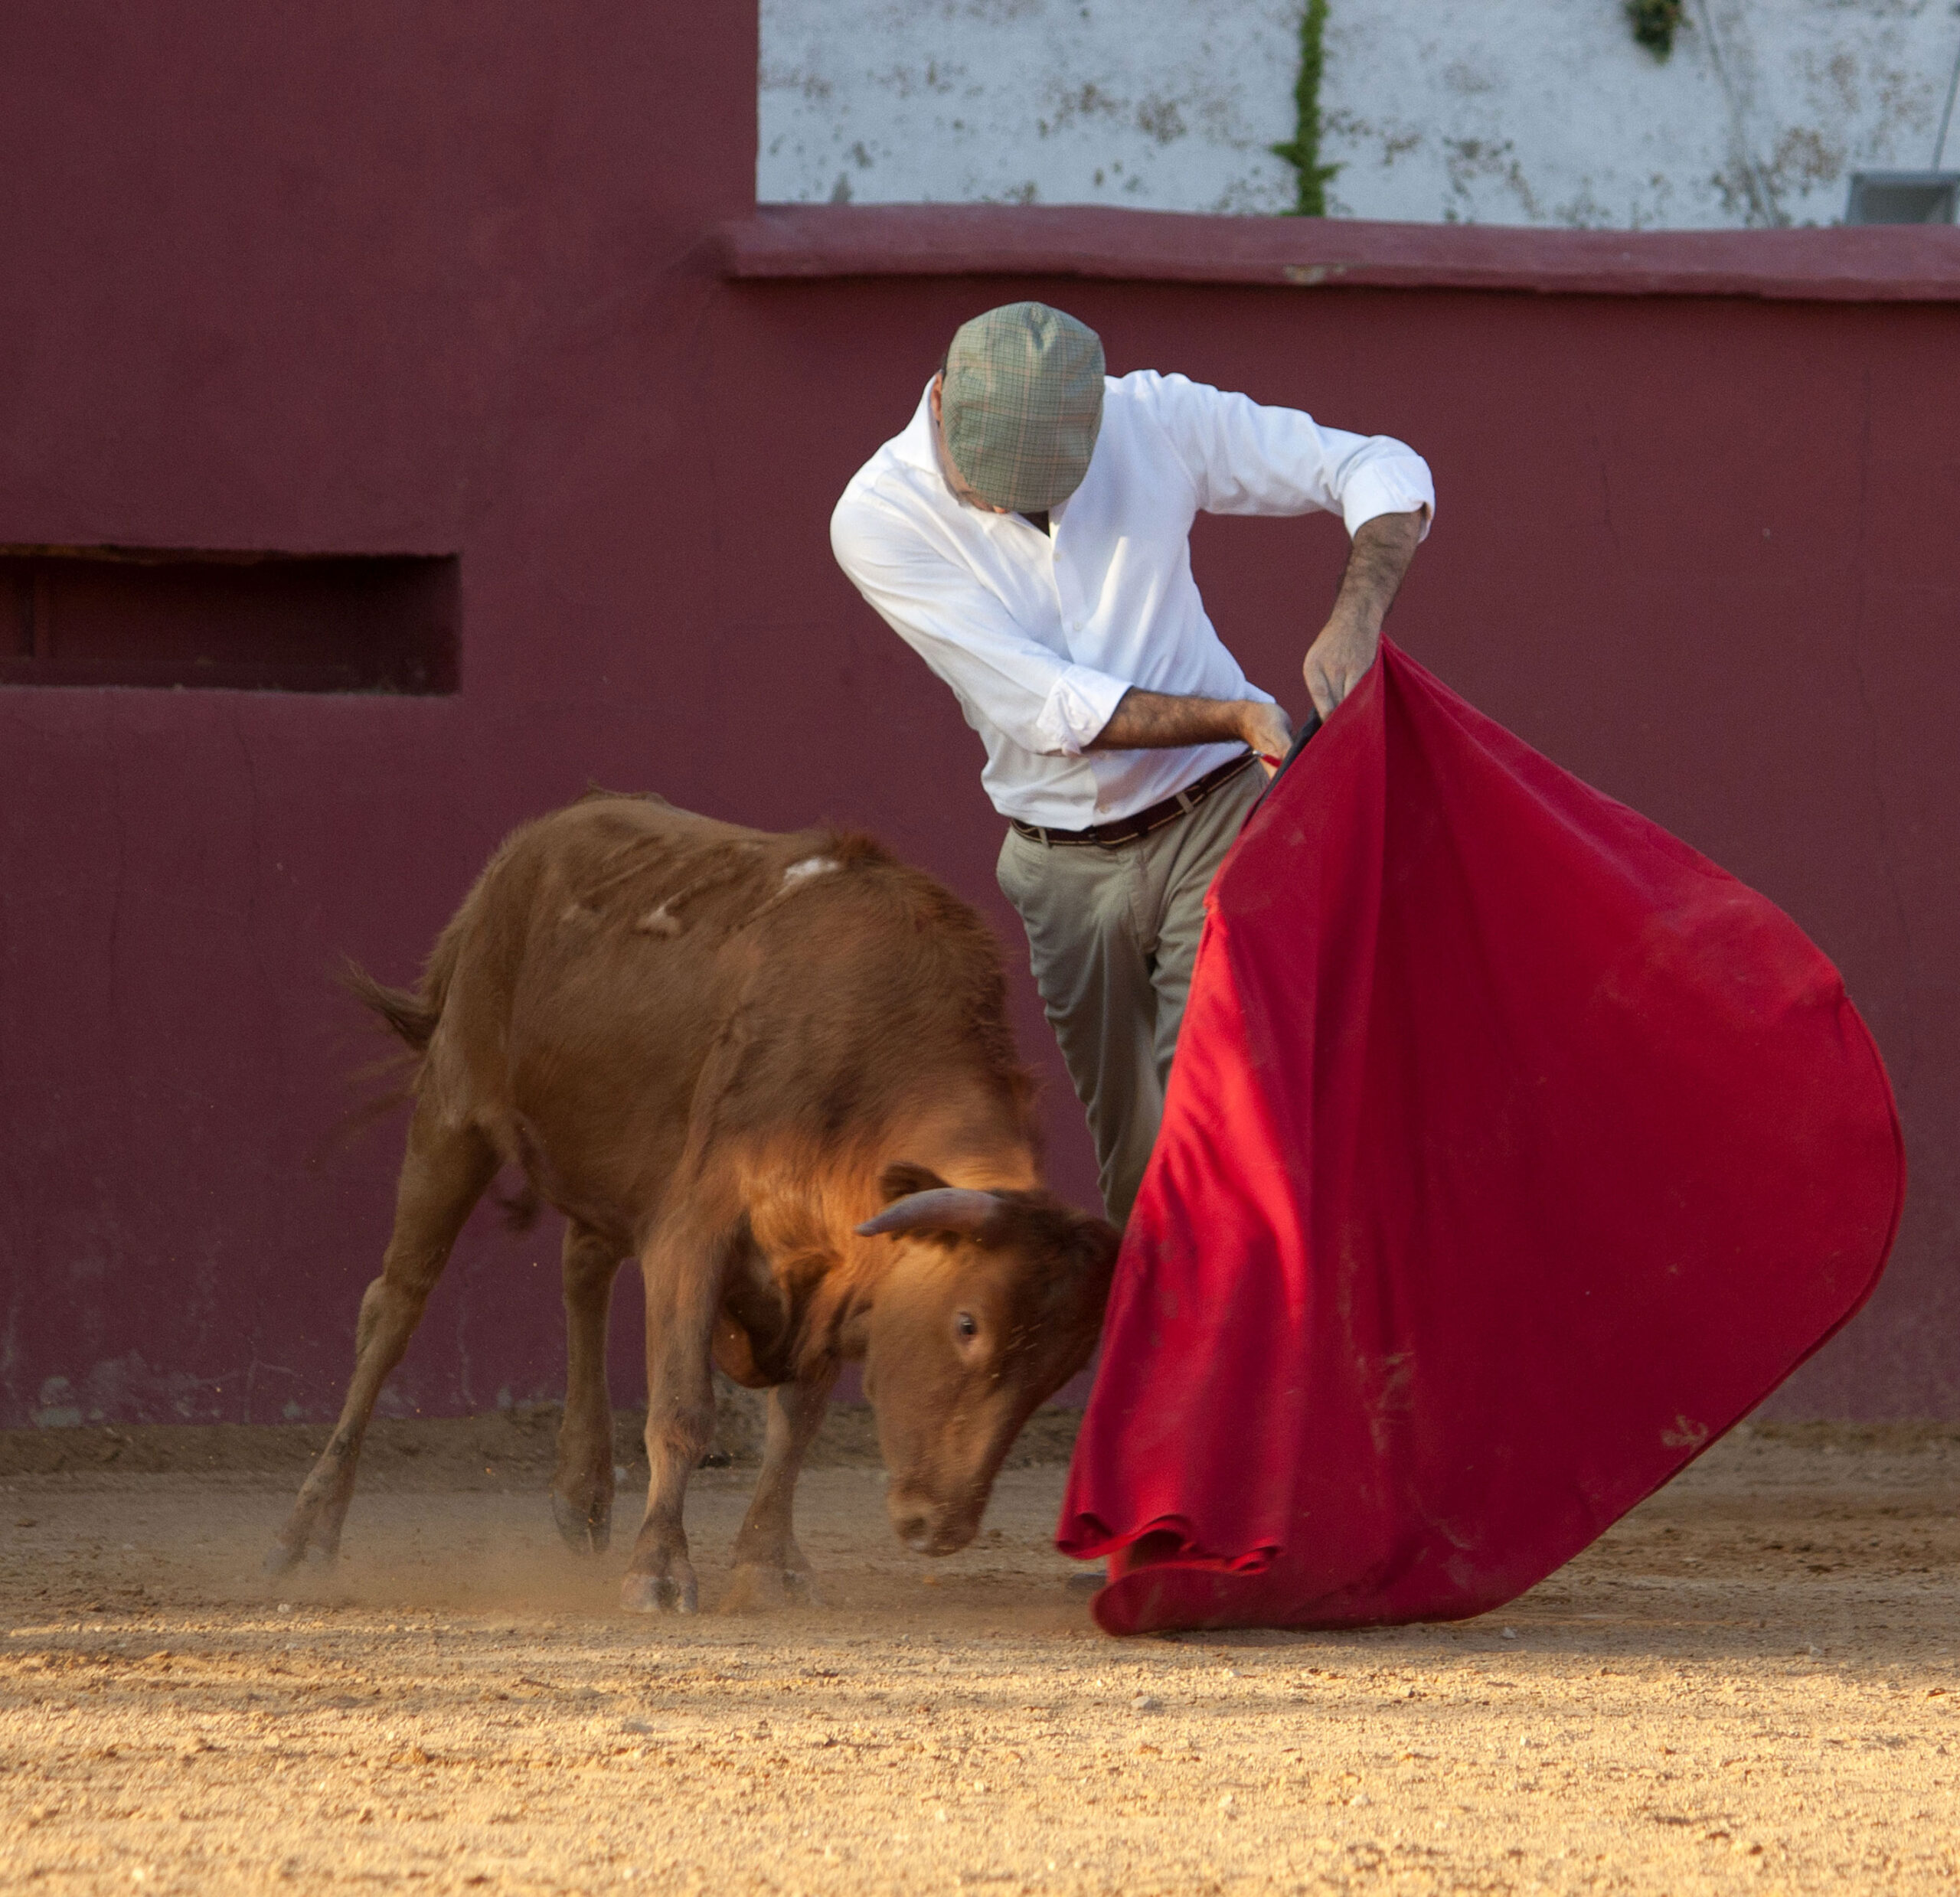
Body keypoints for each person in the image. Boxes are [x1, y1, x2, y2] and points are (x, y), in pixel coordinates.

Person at [831, 302, 1432, 1225]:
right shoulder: (876, 516)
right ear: (942, 401)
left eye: (1042, 481)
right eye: (986, 478)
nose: (1003, 500)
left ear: (1091, 424)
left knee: (1221, 1126)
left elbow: (1377, 466)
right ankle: (1170, 1357)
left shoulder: (1145, 416)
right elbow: (1044, 707)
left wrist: (1355, 615)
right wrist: (1236, 713)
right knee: (1141, 1168)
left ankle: (1257, 1361)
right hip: (1064, 870)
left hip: (1220, 820)